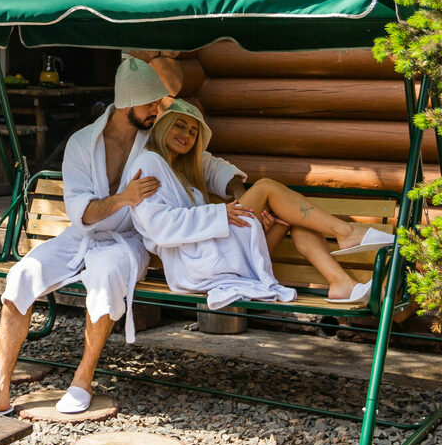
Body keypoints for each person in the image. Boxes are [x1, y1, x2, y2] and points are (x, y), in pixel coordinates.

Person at [0, 58, 244, 416]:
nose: (156, 111)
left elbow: (205, 163)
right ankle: (0, 391)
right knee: (20, 275)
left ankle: (82, 380)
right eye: (150, 104)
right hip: (80, 236)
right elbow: (81, 213)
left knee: (104, 276)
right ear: (129, 103)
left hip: (129, 241)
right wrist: (123, 198)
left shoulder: (156, 140)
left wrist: (238, 188)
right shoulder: (82, 143)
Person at [133, 101, 387, 308]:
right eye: (179, 126)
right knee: (265, 186)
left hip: (217, 259)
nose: (186, 135)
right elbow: (157, 226)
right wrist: (219, 213)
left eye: (193, 132)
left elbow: (216, 168)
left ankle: (341, 282)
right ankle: (346, 232)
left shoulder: (182, 166)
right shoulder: (150, 163)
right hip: (194, 265)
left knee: (292, 220)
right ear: (163, 126)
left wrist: (242, 200)